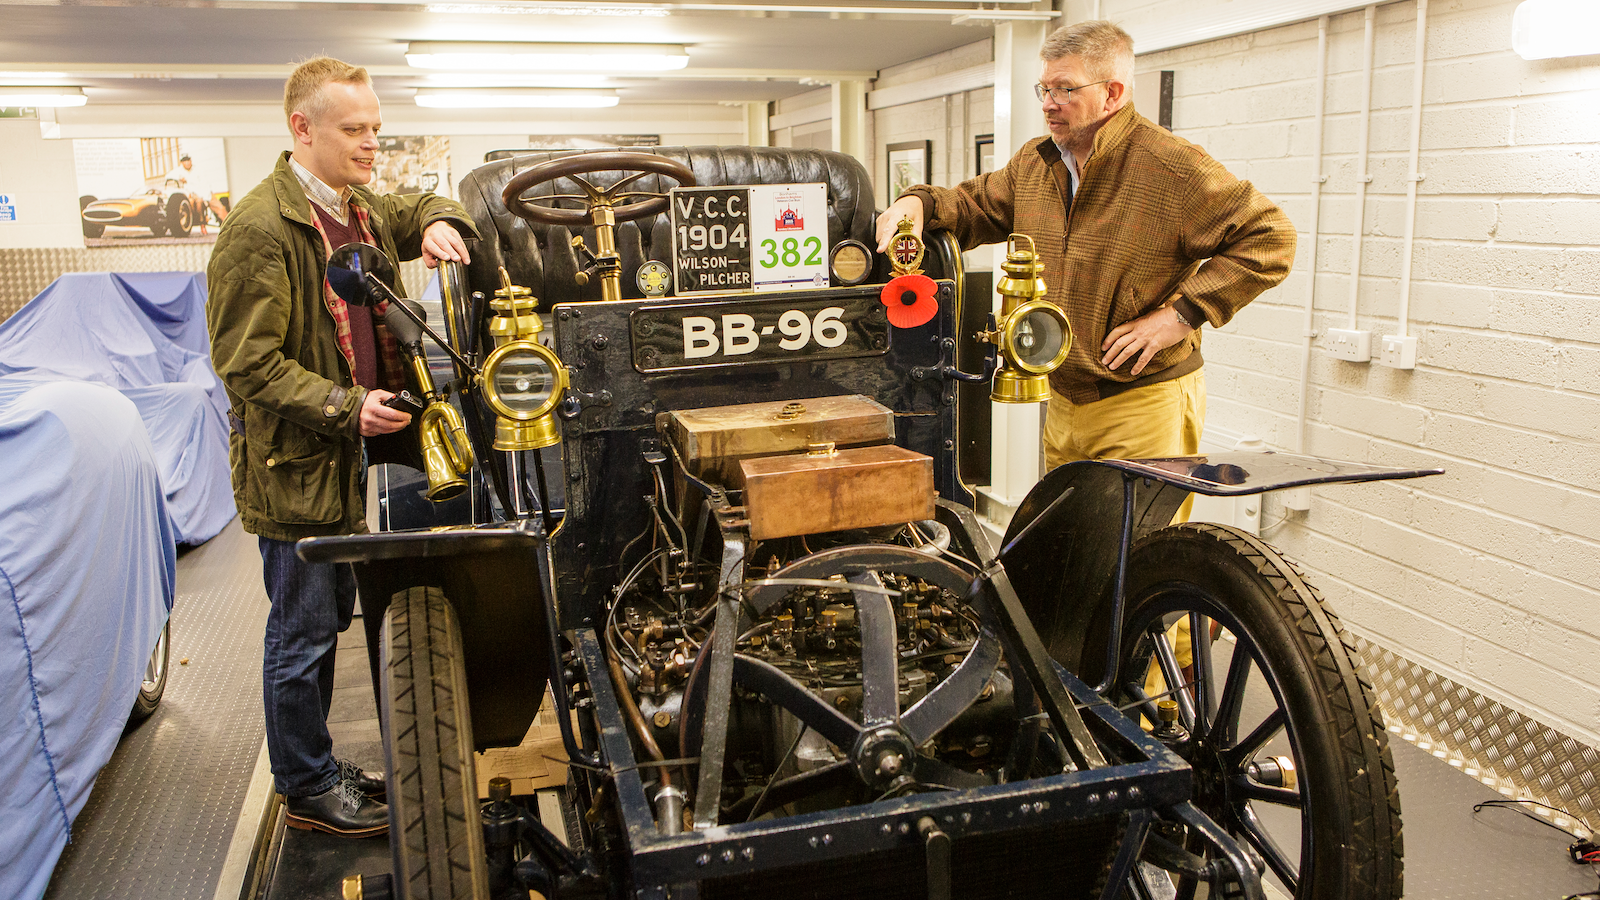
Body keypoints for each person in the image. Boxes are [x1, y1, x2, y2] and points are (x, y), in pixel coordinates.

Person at [206, 56, 476, 838]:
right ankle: (304, 787)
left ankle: (317, 766)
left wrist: (436, 223)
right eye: (354, 131)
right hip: (298, 466)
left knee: (329, 620)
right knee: (302, 632)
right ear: (303, 129)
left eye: (375, 130)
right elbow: (246, 363)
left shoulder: (354, 207)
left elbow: (422, 199)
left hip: (344, 456)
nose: (370, 145)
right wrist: (345, 406)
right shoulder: (260, 229)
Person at [877, 20, 1296, 488]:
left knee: (1135, 552)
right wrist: (917, 202)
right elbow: (974, 205)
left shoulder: (1173, 167)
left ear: (1113, 93)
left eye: (1065, 89)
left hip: (1141, 401)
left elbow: (1269, 237)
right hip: (1064, 402)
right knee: (1073, 548)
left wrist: (1179, 316)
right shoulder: (1037, 162)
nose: (1048, 103)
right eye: (1045, 88)